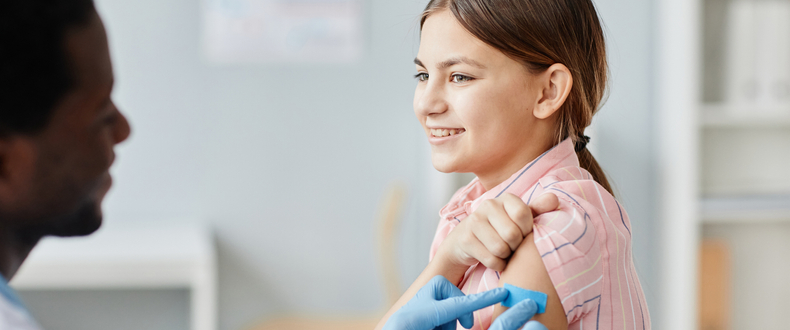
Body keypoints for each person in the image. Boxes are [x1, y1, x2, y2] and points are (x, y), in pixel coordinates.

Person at [0, 1, 549, 329]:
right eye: (98, 115)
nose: (124, 130)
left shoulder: (558, 215)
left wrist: (442, 266)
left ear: (549, 91)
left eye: (460, 76)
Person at [377, 0, 652, 329]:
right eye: (423, 74)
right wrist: (448, 258)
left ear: (548, 91)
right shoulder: (464, 223)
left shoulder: (549, 223)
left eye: (460, 76)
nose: (425, 103)